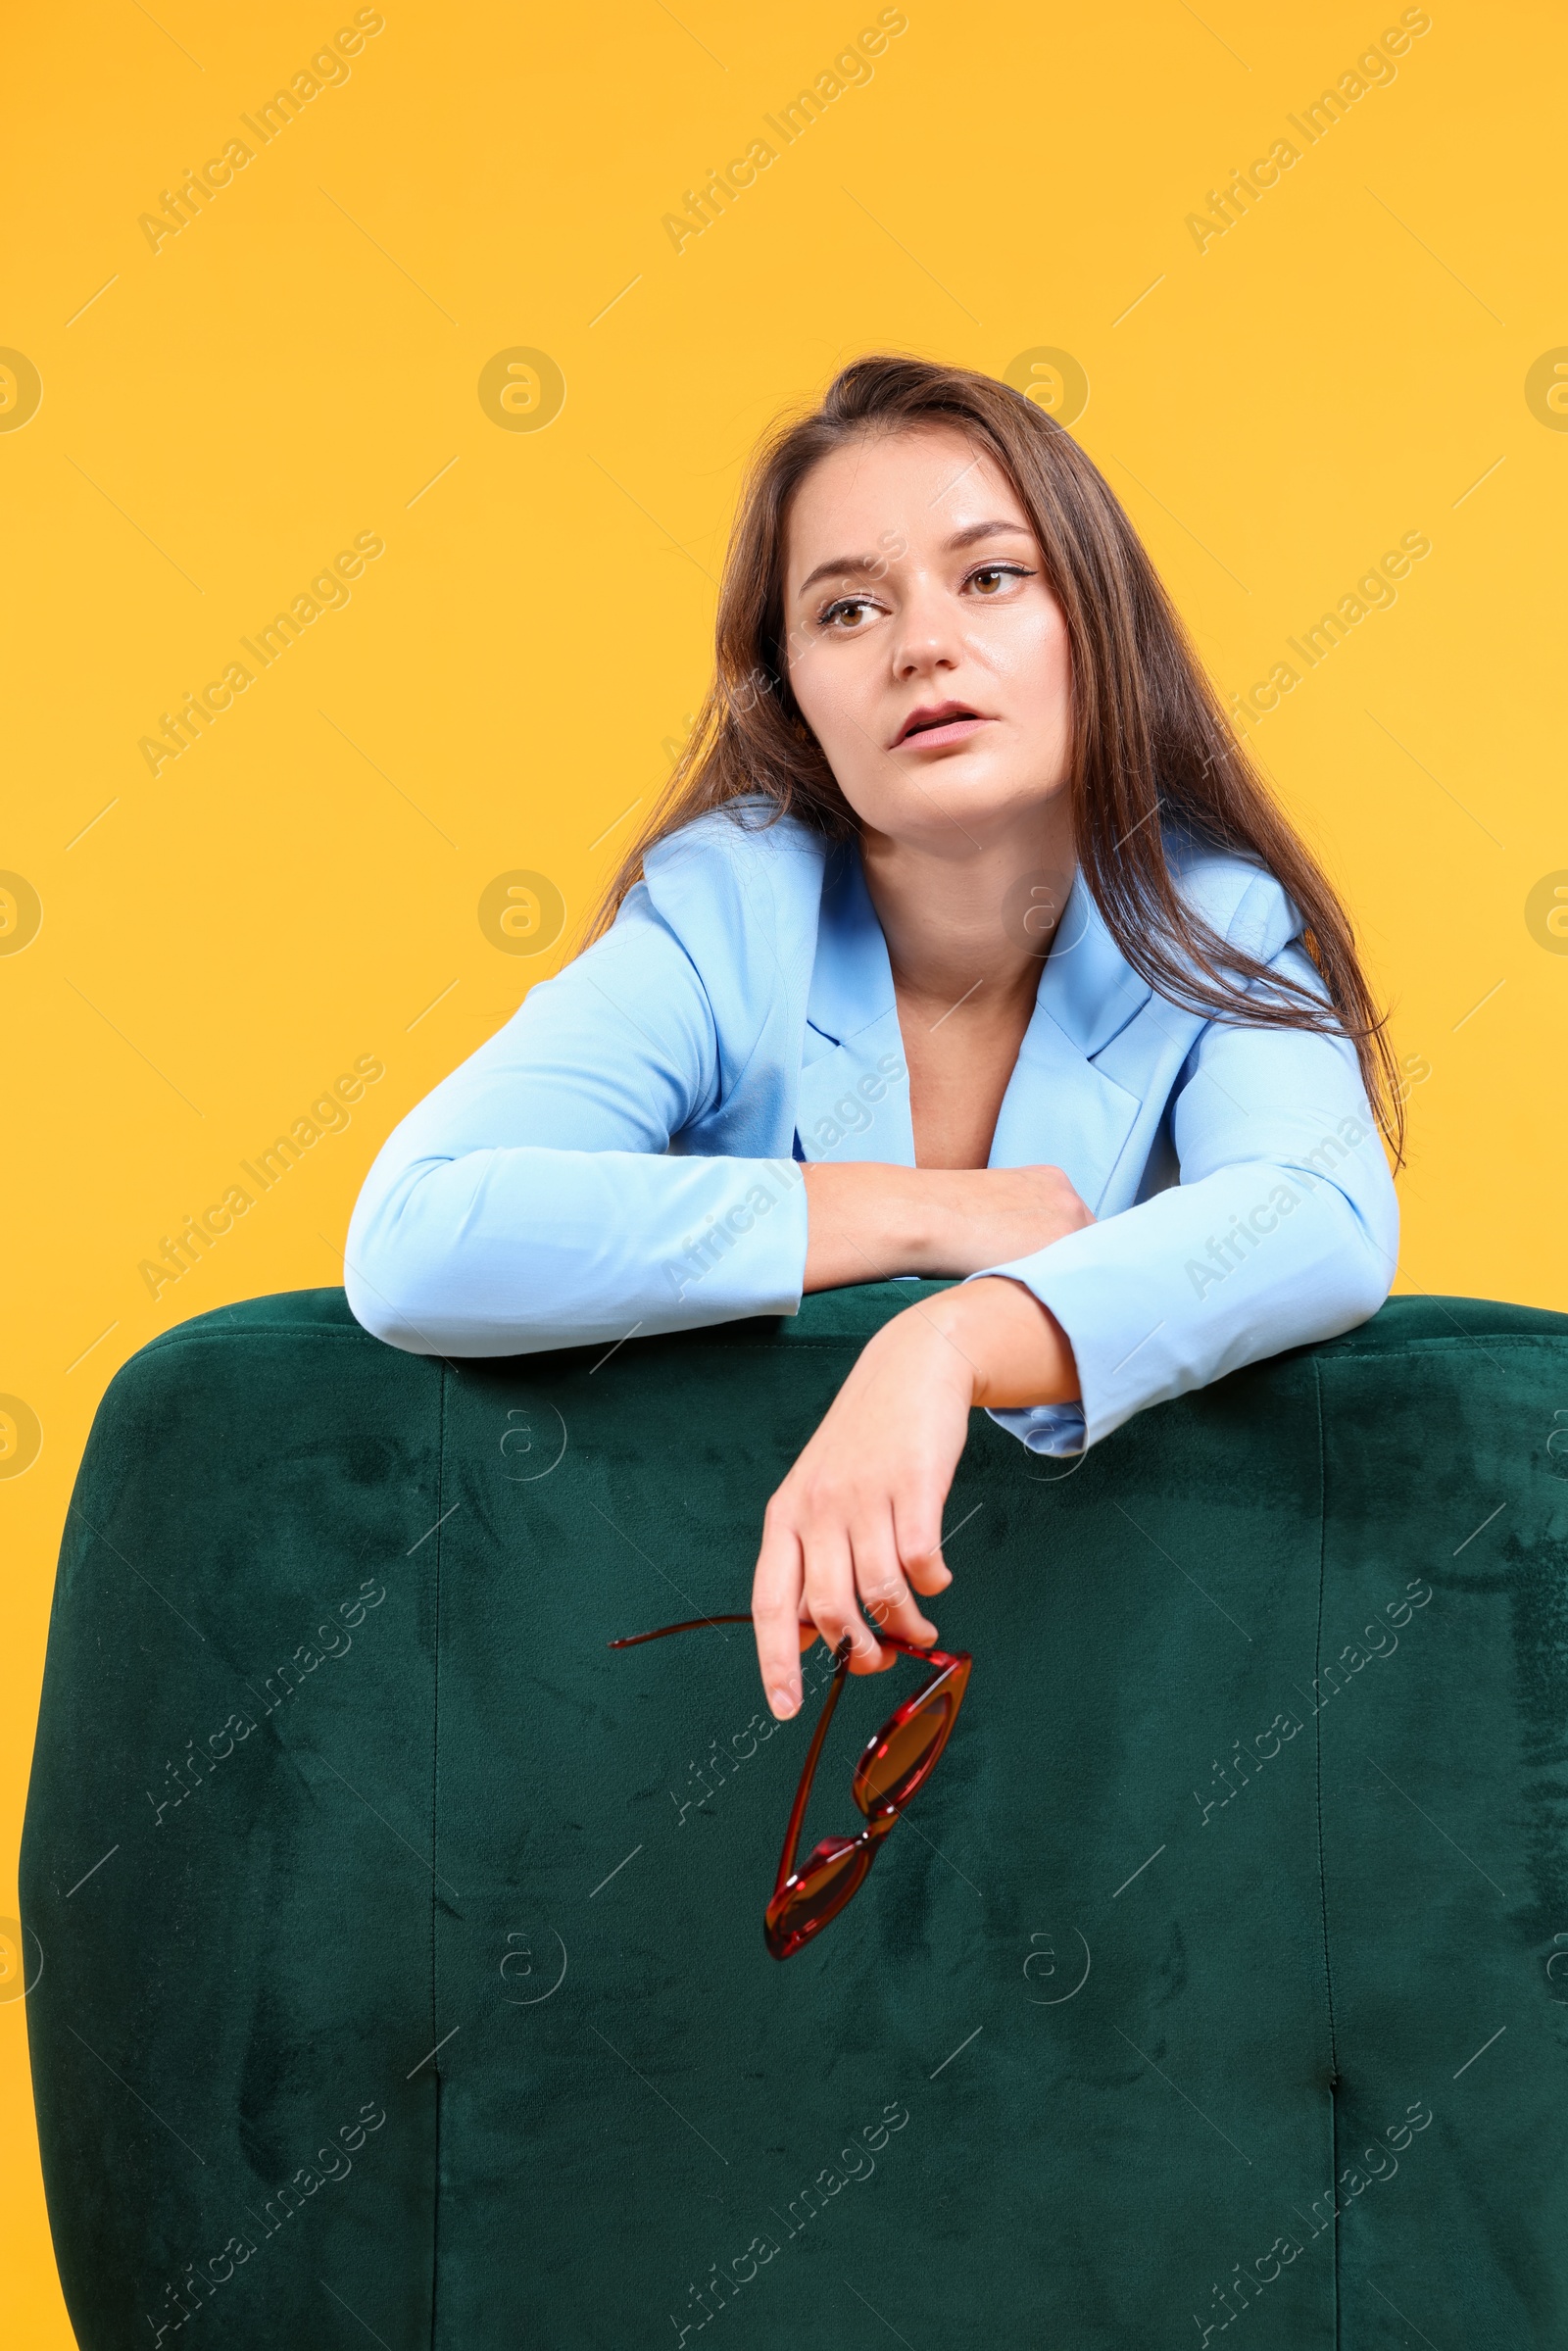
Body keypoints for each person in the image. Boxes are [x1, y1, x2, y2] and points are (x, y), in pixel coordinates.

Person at [344, 354, 1400, 1730]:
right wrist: (922, 1217)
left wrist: (944, 1345)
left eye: (993, 578)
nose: (922, 646)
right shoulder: (729, 909)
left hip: (1120, 1701)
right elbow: (418, 1234)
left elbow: (1323, 1213)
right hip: (723, 1705)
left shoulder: (1218, 922)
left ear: (1102, 625)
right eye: (848, 608)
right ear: (793, 693)